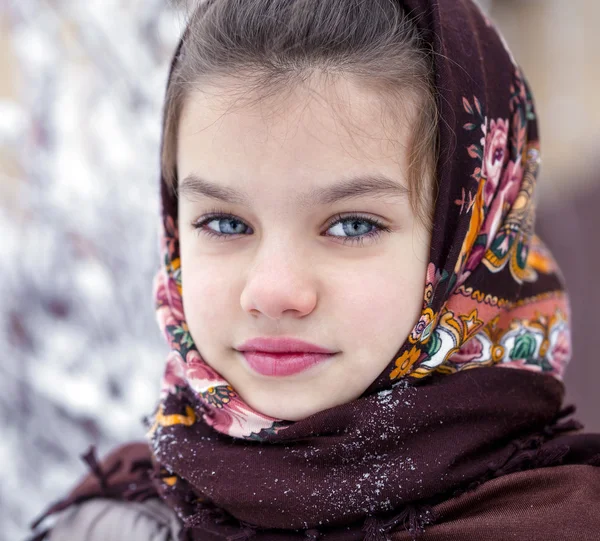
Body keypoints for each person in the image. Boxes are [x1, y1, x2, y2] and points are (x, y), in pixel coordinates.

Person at [29, 0, 600, 540]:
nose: (273, 292)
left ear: (473, 233)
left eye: (352, 225)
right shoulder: (112, 522)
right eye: (226, 224)